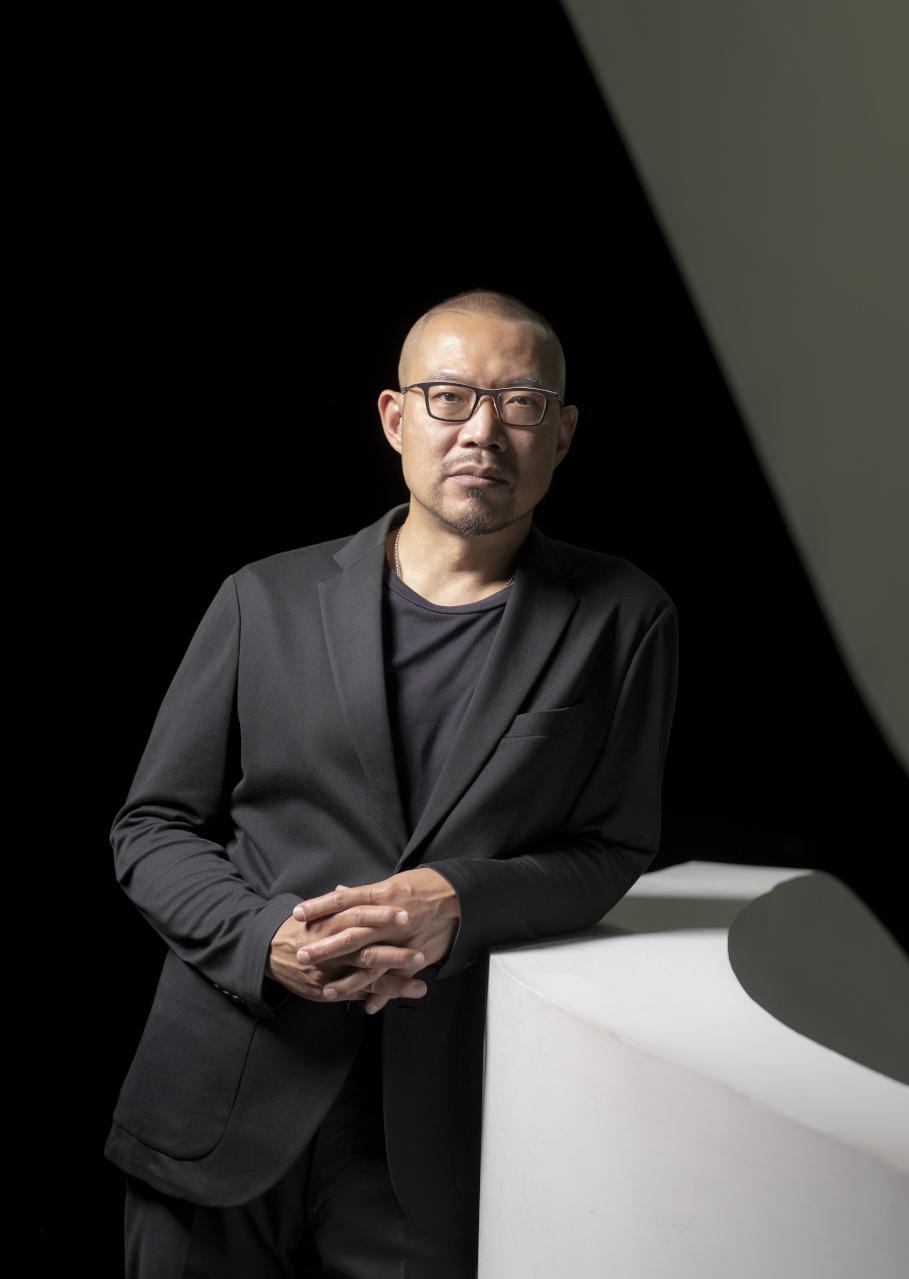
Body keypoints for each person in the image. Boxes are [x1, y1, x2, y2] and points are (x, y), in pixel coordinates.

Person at [105, 288, 680, 1277]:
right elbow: (151, 825)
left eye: (522, 403)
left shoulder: (624, 616)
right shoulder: (263, 598)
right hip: (224, 1084)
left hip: (436, 1132)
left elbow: (613, 846)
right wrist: (265, 938)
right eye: (449, 396)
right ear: (395, 417)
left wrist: (458, 898)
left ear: (562, 433)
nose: (482, 431)